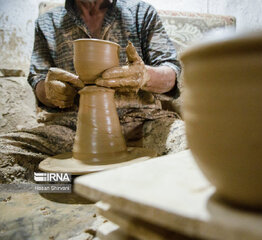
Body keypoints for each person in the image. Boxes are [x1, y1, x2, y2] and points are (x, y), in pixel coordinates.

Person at [0, 0, 187, 184]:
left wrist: (145, 76)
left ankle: (82, 184)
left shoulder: (141, 12)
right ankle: (66, 185)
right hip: (71, 128)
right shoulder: (47, 22)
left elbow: (171, 74)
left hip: (144, 122)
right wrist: (50, 92)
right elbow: (38, 79)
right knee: (3, 156)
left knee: (199, 147)